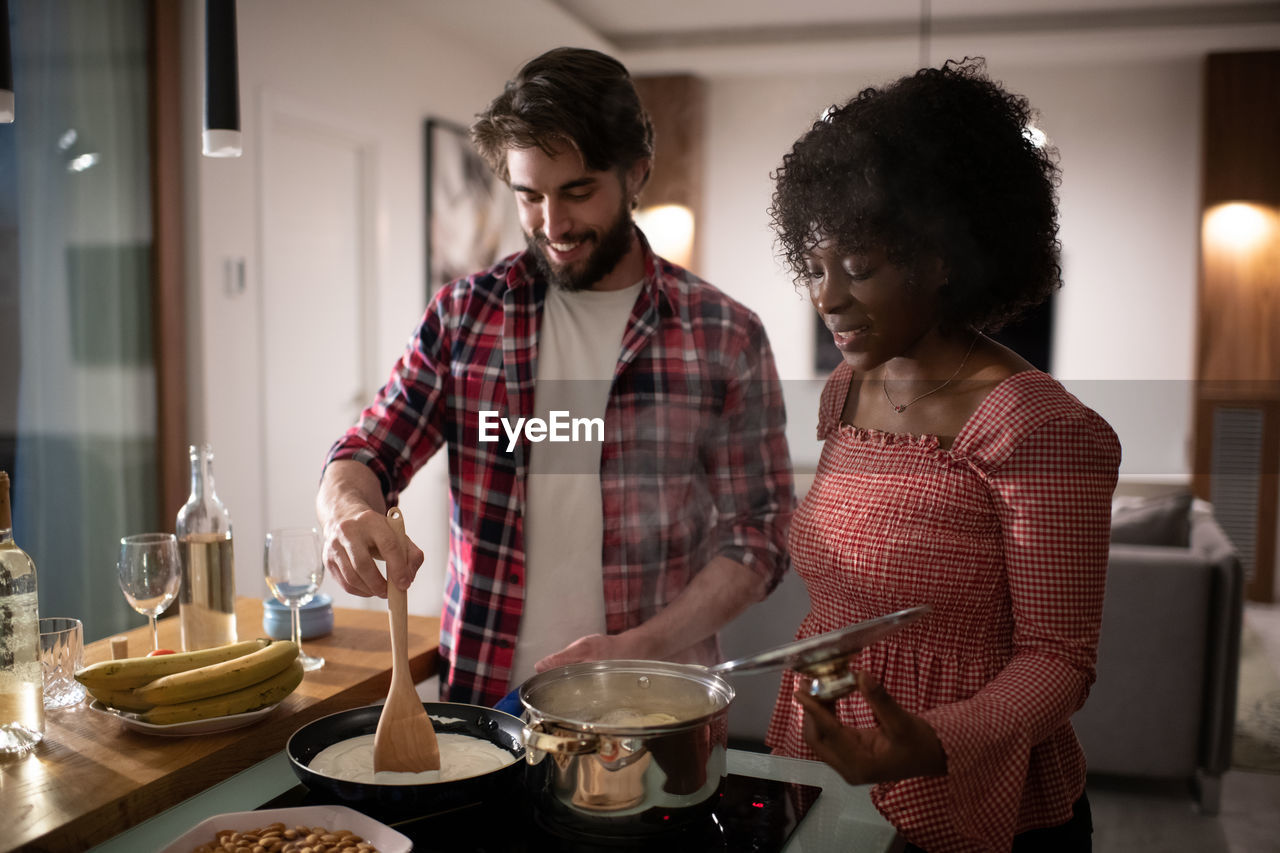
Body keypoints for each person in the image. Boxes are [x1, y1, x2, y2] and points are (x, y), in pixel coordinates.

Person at [317, 47, 794, 708]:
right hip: (485, 705)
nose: (552, 224)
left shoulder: (724, 333)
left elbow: (762, 533)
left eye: (577, 191)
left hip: (653, 702)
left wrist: (636, 646)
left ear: (637, 174)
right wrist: (345, 511)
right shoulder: (463, 316)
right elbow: (367, 451)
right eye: (529, 196)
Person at [765, 59, 1121, 852]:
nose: (827, 297)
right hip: (827, 776)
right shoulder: (845, 392)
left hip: (970, 795)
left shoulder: (1038, 425)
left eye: (859, 269)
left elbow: (1059, 659)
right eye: (815, 267)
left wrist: (930, 742)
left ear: (942, 258)